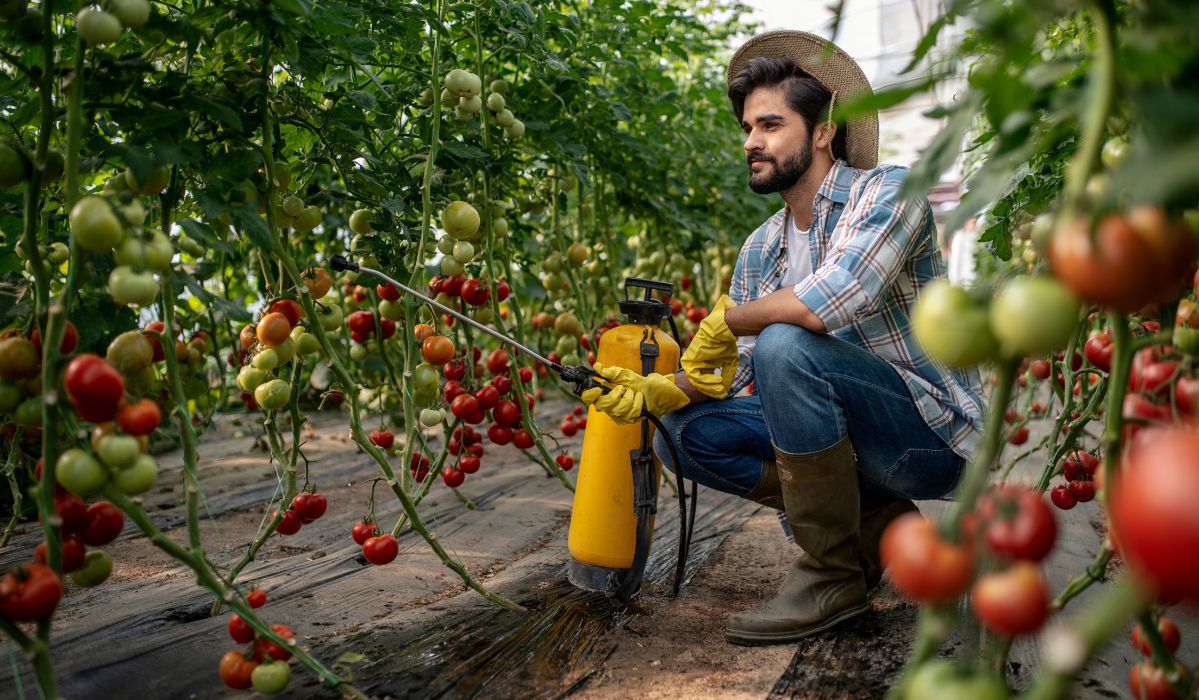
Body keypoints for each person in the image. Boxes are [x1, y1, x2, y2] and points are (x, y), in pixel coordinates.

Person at [582, 30, 987, 645]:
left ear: (824, 130)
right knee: (684, 438)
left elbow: (838, 298)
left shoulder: (889, 192)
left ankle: (829, 577)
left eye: (770, 125)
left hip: (925, 438)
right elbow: (744, 378)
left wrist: (734, 319)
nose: (751, 143)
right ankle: (870, 528)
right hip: (843, 444)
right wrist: (661, 390)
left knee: (786, 343)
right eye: (747, 128)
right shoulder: (761, 249)